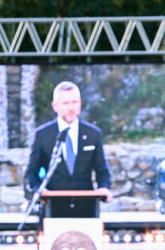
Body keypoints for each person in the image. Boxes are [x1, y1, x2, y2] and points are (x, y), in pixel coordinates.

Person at [24, 81, 112, 213]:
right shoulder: (43, 135)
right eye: (65, 103)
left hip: (86, 208)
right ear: (55, 106)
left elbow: (102, 170)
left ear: (80, 103)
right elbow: (31, 173)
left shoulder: (93, 134)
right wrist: (39, 191)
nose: (71, 107)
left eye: (74, 102)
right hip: (52, 208)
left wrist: (103, 187)